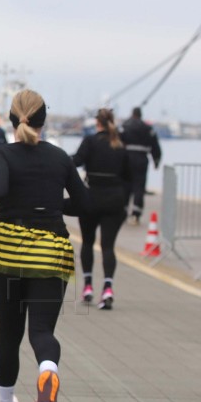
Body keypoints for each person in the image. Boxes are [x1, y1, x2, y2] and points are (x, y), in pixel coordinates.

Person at [0, 90, 89, 402]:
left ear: (10, 120)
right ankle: (48, 372)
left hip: (8, 251)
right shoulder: (60, 158)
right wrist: (52, 205)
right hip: (51, 251)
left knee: (9, 332)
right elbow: (84, 203)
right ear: (43, 120)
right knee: (42, 332)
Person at [73, 108, 131, 309]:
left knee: (87, 242)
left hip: (91, 197)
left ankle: (87, 286)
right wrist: (126, 201)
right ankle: (107, 288)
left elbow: (76, 162)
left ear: (96, 124)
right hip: (114, 200)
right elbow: (129, 176)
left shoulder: (90, 142)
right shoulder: (120, 145)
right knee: (108, 246)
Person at [120, 106, 162, 225]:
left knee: (126, 186)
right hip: (141, 160)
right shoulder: (148, 129)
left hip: (126, 159)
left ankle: (123, 211)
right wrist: (156, 160)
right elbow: (155, 146)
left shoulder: (125, 127)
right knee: (139, 187)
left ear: (132, 114)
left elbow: (117, 142)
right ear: (140, 115)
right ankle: (136, 214)